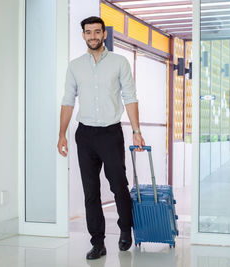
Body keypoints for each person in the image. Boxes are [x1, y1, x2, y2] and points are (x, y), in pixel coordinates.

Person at [57, 16, 145, 260]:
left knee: (118, 185)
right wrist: (61, 134)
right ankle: (98, 243)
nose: (93, 36)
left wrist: (137, 131)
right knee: (90, 191)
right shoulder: (75, 66)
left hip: (110, 132)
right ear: (83, 35)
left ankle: (125, 230)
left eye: (97, 32)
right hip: (84, 135)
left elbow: (130, 97)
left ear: (104, 34)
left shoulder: (119, 62)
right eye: (88, 32)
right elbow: (67, 100)